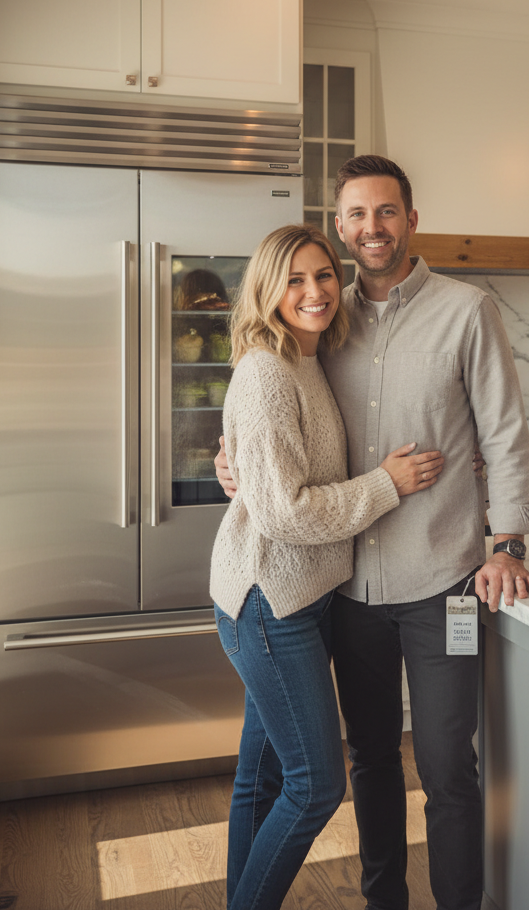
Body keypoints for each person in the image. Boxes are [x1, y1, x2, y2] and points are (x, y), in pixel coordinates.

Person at [216, 155, 529, 910]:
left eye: (387, 211)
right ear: (340, 227)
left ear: (411, 219)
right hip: (347, 590)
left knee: (448, 767)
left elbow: (505, 436)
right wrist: (231, 460)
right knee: (369, 760)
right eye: (358, 214)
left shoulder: (468, 311)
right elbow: (269, 411)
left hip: (443, 581)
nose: (373, 227)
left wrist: (508, 545)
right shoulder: (321, 319)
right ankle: (382, 900)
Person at [209, 224, 446, 910]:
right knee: (315, 786)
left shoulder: (309, 358)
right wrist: (386, 484)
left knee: (262, 777)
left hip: (301, 600)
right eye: (294, 280)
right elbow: (284, 514)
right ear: (267, 290)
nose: (314, 291)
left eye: (322, 276)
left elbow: (274, 474)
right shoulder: (266, 373)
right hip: (268, 605)